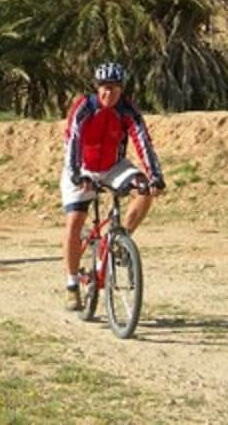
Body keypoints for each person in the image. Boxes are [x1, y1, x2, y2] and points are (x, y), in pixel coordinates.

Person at [60, 62, 164, 311]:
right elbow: (72, 140)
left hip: (113, 166)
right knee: (75, 221)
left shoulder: (127, 109)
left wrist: (155, 176)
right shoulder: (84, 107)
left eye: (116, 89)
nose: (110, 94)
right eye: (106, 88)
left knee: (144, 190)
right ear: (97, 88)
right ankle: (72, 284)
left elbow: (142, 140)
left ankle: (119, 239)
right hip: (81, 166)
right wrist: (76, 176)